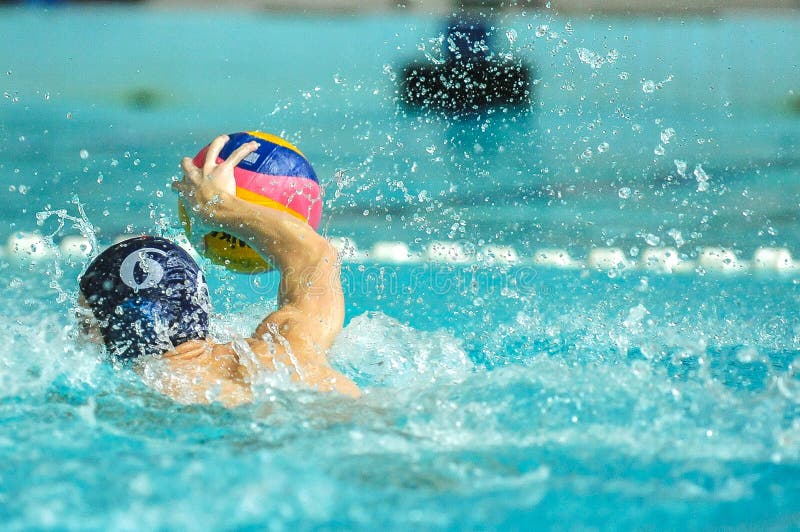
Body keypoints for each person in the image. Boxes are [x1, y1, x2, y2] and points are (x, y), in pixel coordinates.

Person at [77, 134, 360, 406]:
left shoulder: (148, 395)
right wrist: (219, 208)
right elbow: (317, 256)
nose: (74, 336)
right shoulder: (286, 347)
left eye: (84, 322)